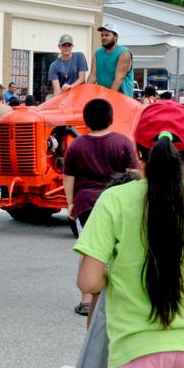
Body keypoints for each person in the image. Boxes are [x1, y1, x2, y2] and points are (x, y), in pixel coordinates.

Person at [75, 100, 184, 368]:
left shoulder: (114, 200)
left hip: (134, 349)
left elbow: (88, 282)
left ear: (138, 154)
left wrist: (118, 273)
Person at [63, 98, 139, 317]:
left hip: (86, 202)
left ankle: (87, 299)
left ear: (85, 121)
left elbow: (69, 176)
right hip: (118, 201)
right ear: (111, 118)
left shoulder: (77, 145)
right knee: (119, 247)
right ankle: (120, 295)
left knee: (89, 248)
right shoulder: (122, 142)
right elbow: (134, 173)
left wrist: (70, 202)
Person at [87, 23, 134, 97]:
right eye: (102, 35)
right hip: (103, 97)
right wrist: (85, 92)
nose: (103, 37)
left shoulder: (124, 53)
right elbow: (93, 75)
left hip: (122, 100)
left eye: (107, 35)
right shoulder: (98, 53)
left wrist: (109, 98)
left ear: (116, 36)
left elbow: (118, 79)